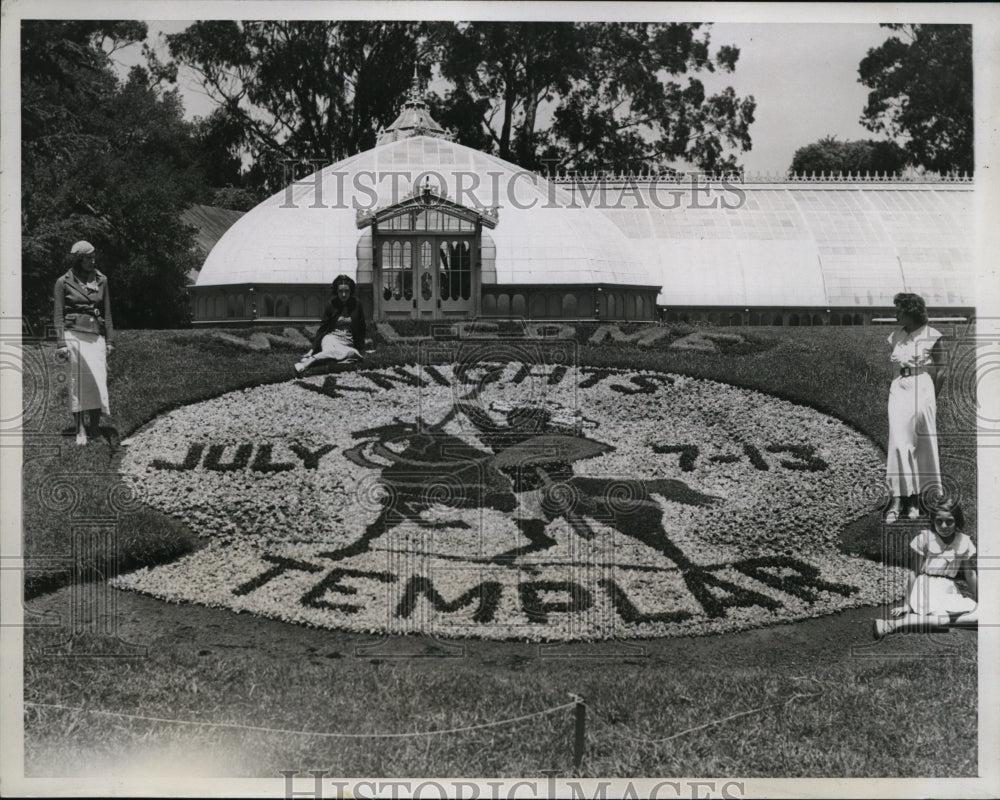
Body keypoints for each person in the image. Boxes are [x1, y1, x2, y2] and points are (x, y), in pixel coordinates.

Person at [884, 292, 945, 523]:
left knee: (921, 443)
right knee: (898, 443)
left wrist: (932, 399)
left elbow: (941, 370)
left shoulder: (932, 335)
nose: (896, 314)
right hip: (898, 388)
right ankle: (899, 499)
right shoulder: (895, 336)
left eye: (899, 310)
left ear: (911, 311)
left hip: (922, 388)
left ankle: (917, 500)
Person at [874, 501, 976, 637]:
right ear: (933, 521)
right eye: (939, 521)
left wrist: (981, 599)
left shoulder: (964, 542)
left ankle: (925, 620)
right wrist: (907, 603)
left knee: (979, 615)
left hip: (948, 589)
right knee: (943, 620)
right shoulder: (925, 539)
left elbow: (970, 574)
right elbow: (913, 572)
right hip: (926, 586)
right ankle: (893, 624)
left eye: (949, 521)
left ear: (957, 521)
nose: (944, 526)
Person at [54, 241, 114, 445]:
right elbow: (59, 315)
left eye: (93, 257)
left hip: (95, 334)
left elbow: (107, 312)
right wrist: (61, 342)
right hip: (73, 335)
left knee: (98, 380)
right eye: (88, 257)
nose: (92, 261)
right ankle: (80, 429)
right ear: (78, 259)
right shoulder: (63, 282)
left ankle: (95, 428)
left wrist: (110, 340)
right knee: (78, 382)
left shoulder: (102, 279)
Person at [294, 274, 366, 376]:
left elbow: (362, 327)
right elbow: (323, 328)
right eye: (341, 291)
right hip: (331, 338)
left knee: (351, 353)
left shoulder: (357, 304)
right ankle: (307, 364)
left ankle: (315, 358)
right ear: (336, 291)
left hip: (347, 341)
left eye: (347, 291)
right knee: (332, 351)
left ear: (351, 291)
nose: (344, 294)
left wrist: (361, 347)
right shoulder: (331, 305)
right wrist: (312, 349)